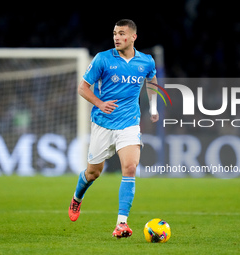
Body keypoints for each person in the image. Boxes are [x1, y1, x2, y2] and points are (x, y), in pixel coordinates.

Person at [68, 19, 159, 238]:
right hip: (103, 123)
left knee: (129, 167)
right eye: (114, 34)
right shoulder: (103, 59)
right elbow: (83, 88)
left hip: (129, 123)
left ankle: (121, 224)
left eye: (121, 34)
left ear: (133, 37)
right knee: (93, 173)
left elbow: (152, 80)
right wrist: (100, 103)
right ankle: (77, 198)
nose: (117, 37)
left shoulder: (145, 61)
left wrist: (154, 107)